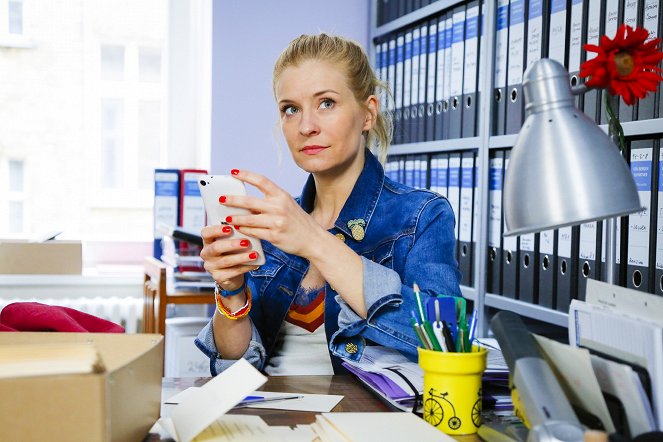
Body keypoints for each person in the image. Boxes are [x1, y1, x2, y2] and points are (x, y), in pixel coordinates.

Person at [195, 33, 461, 376]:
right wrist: (231, 292)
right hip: (273, 421)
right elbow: (235, 368)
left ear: (367, 114)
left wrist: (314, 241)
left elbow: (448, 343)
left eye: (326, 103)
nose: (306, 126)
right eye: (291, 109)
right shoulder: (273, 222)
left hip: (366, 425)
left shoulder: (423, 215)